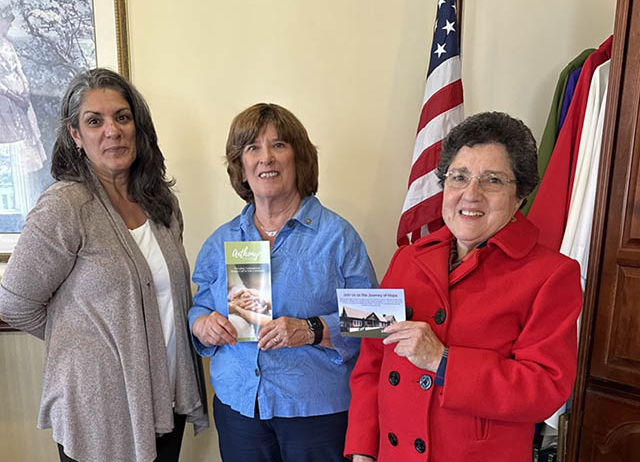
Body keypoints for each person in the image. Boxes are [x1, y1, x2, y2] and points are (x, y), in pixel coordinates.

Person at [344, 112, 582, 461]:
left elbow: (546, 388)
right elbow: (370, 364)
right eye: (459, 177)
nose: (471, 194)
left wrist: (442, 361)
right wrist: (362, 449)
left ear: (520, 196)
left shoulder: (553, 274)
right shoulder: (405, 259)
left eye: (492, 180)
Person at [0, 68, 209, 462]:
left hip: (166, 397)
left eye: (122, 117)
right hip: (99, 408)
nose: (112, 130)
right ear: (76, 136)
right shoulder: (65, 206)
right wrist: (91, 342)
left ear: (137, 126)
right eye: (94, 121)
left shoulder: (160, 202)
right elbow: (14, 303)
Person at [189, 103, 377, 462]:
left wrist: (312, 328)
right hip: (241, 408)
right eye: (252, 148)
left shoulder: (338, 236)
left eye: (279, 145)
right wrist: (201, 324)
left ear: (299, 158)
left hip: (316, 413)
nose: (266, 158)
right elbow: (199, 306)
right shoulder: (221, 240)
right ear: (240, 167)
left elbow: (377, 319)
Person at [0, 5, 47, 216]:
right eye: (6, 21)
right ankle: (15, 205)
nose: (9, 25)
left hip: (19, 101)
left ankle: (33, 202)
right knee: (14, 147)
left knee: (28, 145)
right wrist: (12, 94)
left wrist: (25, 91)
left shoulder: (7, 44)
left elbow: (18, 69)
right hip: (6, 102)